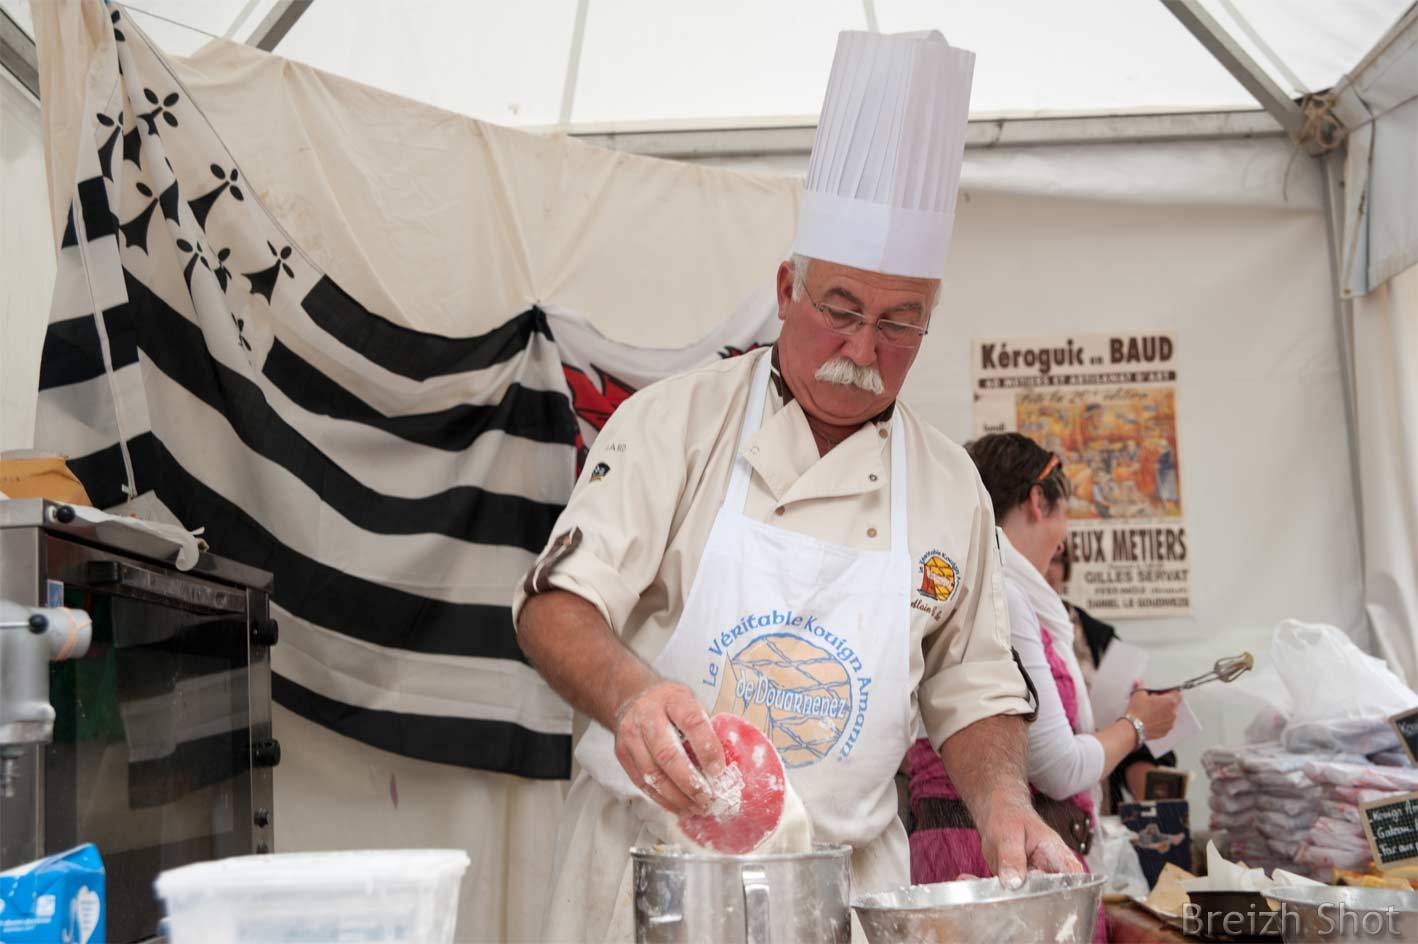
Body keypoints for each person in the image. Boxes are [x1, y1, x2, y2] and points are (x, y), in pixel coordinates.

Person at [513, 31, 1081, 943]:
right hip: (651, 881)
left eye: (900, 325)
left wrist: (1004, 802)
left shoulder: (947, 486)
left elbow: (972, 687)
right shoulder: (676, 425)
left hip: (845, 892)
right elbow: (555, 608)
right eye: (842, 311)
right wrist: (631, 696)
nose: (863, 352)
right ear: (787, 288)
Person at [905, 433, 1181, 889]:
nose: (1063, 541)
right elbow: (1058, 767)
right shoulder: (1004, 597)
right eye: (1067, 514)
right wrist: (1134, 727)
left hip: (981, 853)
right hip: (991, 860)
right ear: (1038, 500)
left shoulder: (1000, 590)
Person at [1046, 543, 1179, 809]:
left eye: (1057, 560)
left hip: (1098, 808)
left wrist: (1155, 802)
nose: (1047, 569)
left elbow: (1134, 737)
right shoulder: (1003, 625)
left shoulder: (1096, 636)